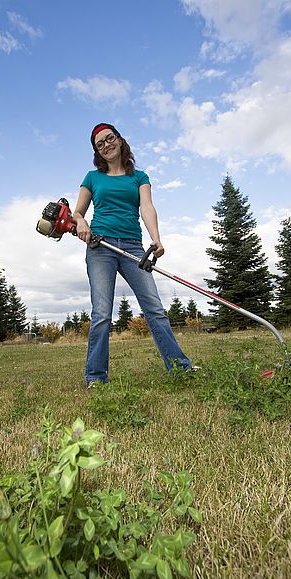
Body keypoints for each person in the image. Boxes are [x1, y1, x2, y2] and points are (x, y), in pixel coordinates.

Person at [73, 122, 199, 388]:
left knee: (155, 309)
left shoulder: (139, 177)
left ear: (120, 140)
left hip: (132, 247)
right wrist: (81, 223)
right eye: (100, 143)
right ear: (97, 151)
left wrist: (156, 238)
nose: (106, 144)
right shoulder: (92, 177)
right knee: (102, 313)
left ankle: (179, 368)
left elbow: (147, 207)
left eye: (110, 139)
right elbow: (77, 213)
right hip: (100, 247)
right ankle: (95, 377)